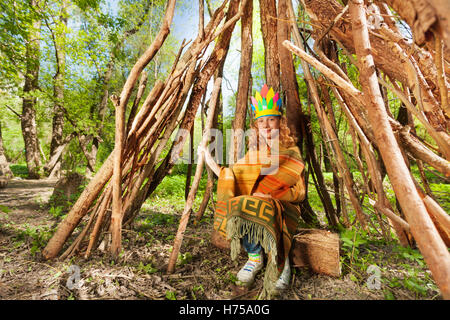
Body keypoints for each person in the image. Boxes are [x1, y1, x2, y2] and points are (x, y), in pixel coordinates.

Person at [198, 84, 306, 297]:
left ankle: (280, 262)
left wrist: (271, 196)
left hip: (283, 205)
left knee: (262, 205)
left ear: (280, 122)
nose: (266, 125)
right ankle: (255, 257)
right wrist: (208, 158)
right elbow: (230, 176)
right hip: (255, 204)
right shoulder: (254, 154)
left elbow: (300, 193)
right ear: (256, 126)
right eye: (261, 121)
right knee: (240, 203)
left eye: (271, 119)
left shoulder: (291, 151)